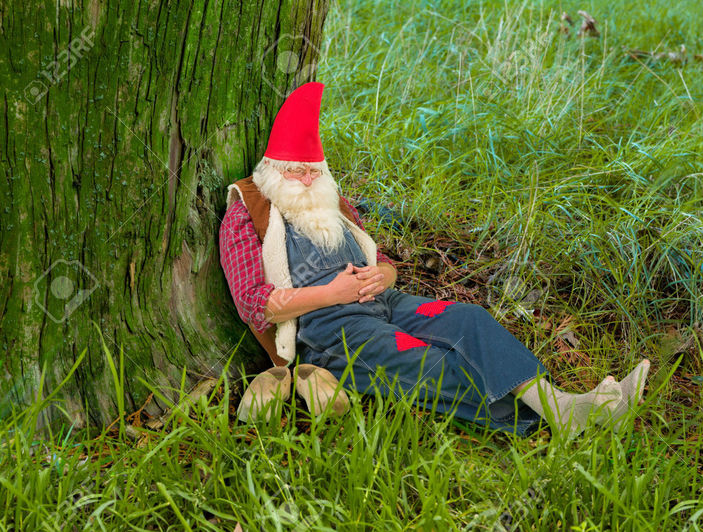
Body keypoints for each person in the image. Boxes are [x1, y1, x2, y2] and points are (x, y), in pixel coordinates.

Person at [219, 81, 650, 438]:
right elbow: (253, 304)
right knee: (430, 361)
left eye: (314, 170)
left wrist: (381, 278)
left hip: (383, 301)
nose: (308, 180)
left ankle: (568, 411)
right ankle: (570, 415)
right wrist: (332, 292)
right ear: (273, 168)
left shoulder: (331, 201)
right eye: (297, 170)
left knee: (470, 320)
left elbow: (383, 260)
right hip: (330, 332)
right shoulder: (249, 209)